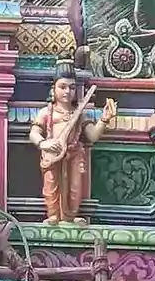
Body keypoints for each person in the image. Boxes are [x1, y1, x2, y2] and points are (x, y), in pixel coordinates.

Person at [30, 70, 115, 225]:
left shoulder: (80, 115)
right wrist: (44, 143)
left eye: (72, 87)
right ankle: (54, 215)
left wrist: (104, 119)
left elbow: (93, 136)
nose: (67, 91)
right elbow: (34, 133)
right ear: (53, 89)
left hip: (74, 153)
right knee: (51, 185)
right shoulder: (46, 113)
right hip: (53, 154)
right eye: (62, 87)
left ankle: (70, 216)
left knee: (75, 188)